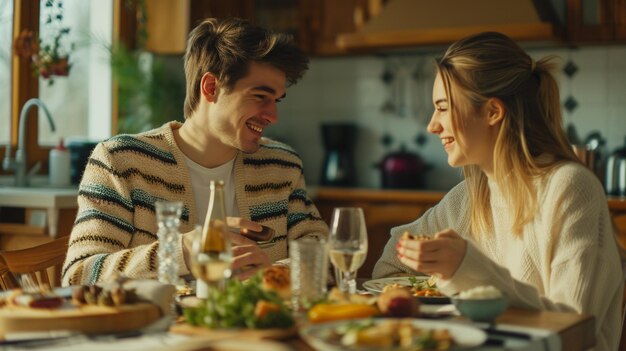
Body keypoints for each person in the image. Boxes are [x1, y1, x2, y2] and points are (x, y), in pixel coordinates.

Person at [373, 32, 623, 350]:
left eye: (443, 108)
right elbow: (393, 261)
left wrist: (466, 270)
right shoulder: (470, 195)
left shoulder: (569, 188)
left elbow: (572, 331)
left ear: (493, 111)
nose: (432, 125)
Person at [62, 17, 328, 286]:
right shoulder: (120, 161)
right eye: (261, 96)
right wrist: (183, 251)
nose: (273, 116)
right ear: (211, 87)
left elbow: (325, 255)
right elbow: (78, 276)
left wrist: (272, 275)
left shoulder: (282, 165)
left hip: (253, 326)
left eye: (277, 100)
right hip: (158, 327)